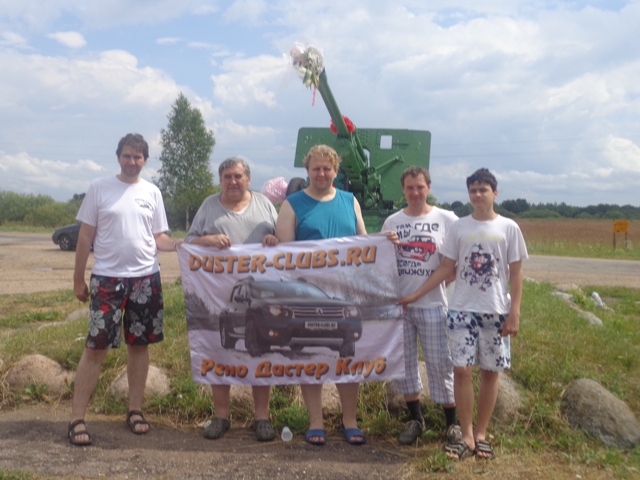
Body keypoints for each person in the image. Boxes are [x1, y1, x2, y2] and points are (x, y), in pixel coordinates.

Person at [398, 168, 527, 461]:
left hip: (496, 310)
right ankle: (465, 434)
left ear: (495, 193)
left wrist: (515, 312)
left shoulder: (509, 227)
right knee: (461, 370)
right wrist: (417, 294)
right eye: (473, 190)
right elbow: (446, 267)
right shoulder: (459, 227)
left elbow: (517, 273)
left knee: (490, 372)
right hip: (461, 310)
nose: (478, 195)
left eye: (483, 190)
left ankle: (481, 434)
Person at [275, 144, 396, 446]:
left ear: (335, 171)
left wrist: (384, 241)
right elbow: (283, 252)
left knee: (347, 355)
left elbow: (364, 244)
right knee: (311, 354)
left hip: (345, 291)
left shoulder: (349, 200)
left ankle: (349, 420)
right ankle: (315, 421)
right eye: (315, 168)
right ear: (307, 171)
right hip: (307, 293)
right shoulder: (292, 204)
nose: (321, 173)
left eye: (326, 168)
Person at [68, 133, 176, 446]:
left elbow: (160, 237)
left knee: (139, 346)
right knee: (96, 346)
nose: (132, 161)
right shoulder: (99, 187)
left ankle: (135, 411)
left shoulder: (152, 192)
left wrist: (182, 244)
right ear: (118, 157)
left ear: (145, 160)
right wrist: (78, 279)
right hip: (107, 280)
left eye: (137, 157)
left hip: (146, 279)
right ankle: (76, 418)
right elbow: (85, 236)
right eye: (127, 156)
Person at [185, 157, 279, 442]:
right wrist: (207, 240)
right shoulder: (208, 206)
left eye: (238, 176)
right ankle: (221, 416)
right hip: (220, 293)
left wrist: (274, 240)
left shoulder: (265, 205)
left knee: (261, 351)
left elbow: (284, 239)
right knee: (220, 351)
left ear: (248, 179)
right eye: (227, 176)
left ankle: (261, 418)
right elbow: (188, 242)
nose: (233, 181)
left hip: (261, 293)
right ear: (221, 180)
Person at [381, 166, 461, 446]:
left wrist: (452, 274)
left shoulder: (446, 218)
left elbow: (459, 255)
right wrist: (386, 243)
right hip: (399, 305)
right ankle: (416, 419)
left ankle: (452, 423)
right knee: (405, 364)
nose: (415, 192)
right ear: (403, 190)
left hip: (432, 304)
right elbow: (381, 260)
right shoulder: (392, 221)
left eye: (420, 187)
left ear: (428, 187)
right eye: (409, 188)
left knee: (440, 362)